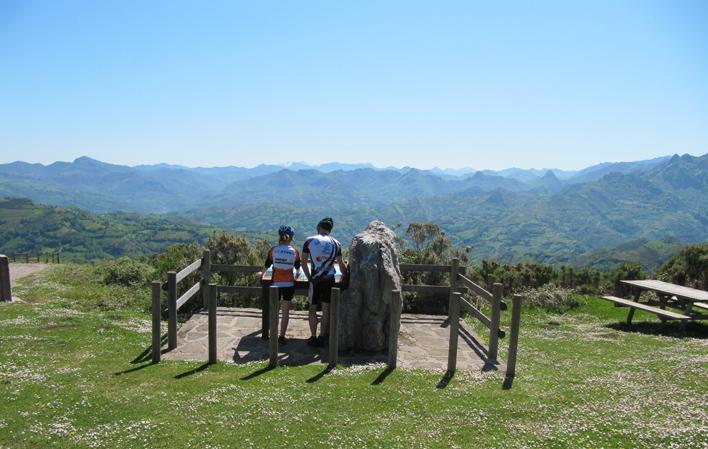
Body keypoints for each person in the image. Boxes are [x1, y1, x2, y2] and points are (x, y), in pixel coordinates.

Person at [301, 217, 347, 347]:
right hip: (330, 278)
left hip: (315, 279)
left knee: (312, 309)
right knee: (326, 310)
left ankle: (313, 337)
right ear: (330, 230)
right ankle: (322, 337)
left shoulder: (309, 241)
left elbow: (304, 263)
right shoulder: (337, 243)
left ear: (319, 227)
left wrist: (309, 277)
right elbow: (341, 264)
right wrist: (346, 275)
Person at [261, 225, 301, 345]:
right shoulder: (294, 251)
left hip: (275, 284)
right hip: (289, 284)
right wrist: (297, 276)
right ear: (291, 237)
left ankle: (273, 334)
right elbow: (298, 269)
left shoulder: (273, 250)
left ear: (279, 236)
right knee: (285, 312)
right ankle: (282, 337)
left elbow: (266, 265)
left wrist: (261, 274)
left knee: (275, 311)